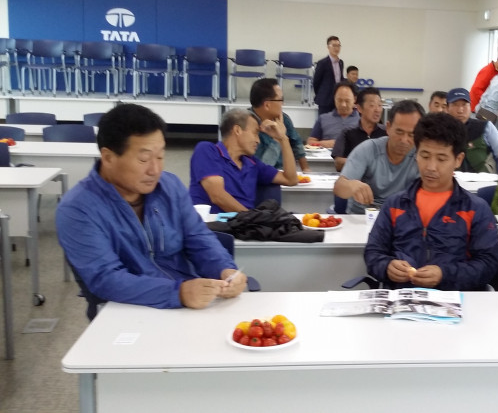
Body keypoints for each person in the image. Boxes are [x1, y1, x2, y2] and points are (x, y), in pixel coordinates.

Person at [56, 104, 247, 312]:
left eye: (160, 157)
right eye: (144, 159)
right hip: (126, 312)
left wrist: (224, 269)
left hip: (188, 305)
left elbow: (198, 238)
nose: (155, 170)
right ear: (108, 157)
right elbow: (106, 279)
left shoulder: (170, 186)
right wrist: (178, 293)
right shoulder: (78, 209)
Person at [364, 112, 498, 290]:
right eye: (425, 156)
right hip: (402, 297)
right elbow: (373, 253)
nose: (431, 167)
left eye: (441, 159)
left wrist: (445, 274)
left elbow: (488, 265)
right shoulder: (395, 204)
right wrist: (387, 266)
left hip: (454, 299)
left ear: (458, 159)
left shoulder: (475, 209)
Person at [189, 109, 298, 213]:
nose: (258, 140)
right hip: (214, 223)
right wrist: (252, 218)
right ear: (237, 130)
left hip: (245, 223)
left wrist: (283, 138)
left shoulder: (252, 163)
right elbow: (218, 196)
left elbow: (291, 179)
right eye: (255, 133)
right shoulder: (207, 150)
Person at [334, 100, 425, 214]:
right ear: (388, 127)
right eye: (399, 132)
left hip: (401, 218)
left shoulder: (422, 156)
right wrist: (351, 186)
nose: (404, 140)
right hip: (363, 217)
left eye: (411, 134)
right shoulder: (368, 149)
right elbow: (339, 187)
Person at [249, 78, 310, 172]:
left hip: (284, 174)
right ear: (267, 105)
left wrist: (305, 169)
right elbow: (262, 169)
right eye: (281, 100)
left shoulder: (283, 119)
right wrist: (278, 138)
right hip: (261, 176)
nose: (283, 104)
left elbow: (297, 144)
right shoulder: (247, 125)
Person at [447, 87, 498, 173]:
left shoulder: (485, 127)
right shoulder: (441, 130)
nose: (460, 110)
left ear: (470, 106)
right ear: (447, 108)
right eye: (455, 105)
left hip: (483, 178)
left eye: (464, 104)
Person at [332, 87, 387, 172]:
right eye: (372, 105)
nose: (377, 110)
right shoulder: (348, 132)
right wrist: (365, 163)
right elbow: (338, 163)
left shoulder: (387, 132)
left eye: (379, 105)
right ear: (359, 108)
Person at [307, 80, 360, 148]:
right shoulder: (323, 119)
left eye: (347, 101)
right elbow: (310, 142)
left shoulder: (362, 121)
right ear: (334, 98)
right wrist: (323, 144)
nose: (343, 105)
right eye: (339, 100)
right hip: (328, 154)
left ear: (354, 99)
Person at [313, 35, 344, 115]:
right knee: (324, 121)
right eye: (334, 45)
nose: (336, 48)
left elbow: (340, 79)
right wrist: (322, 94)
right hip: (325, 100)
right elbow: (316, 82)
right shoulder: (322, 63)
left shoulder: (341, 63)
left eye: (338, 46)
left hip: (337, 99)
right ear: (328, 47)